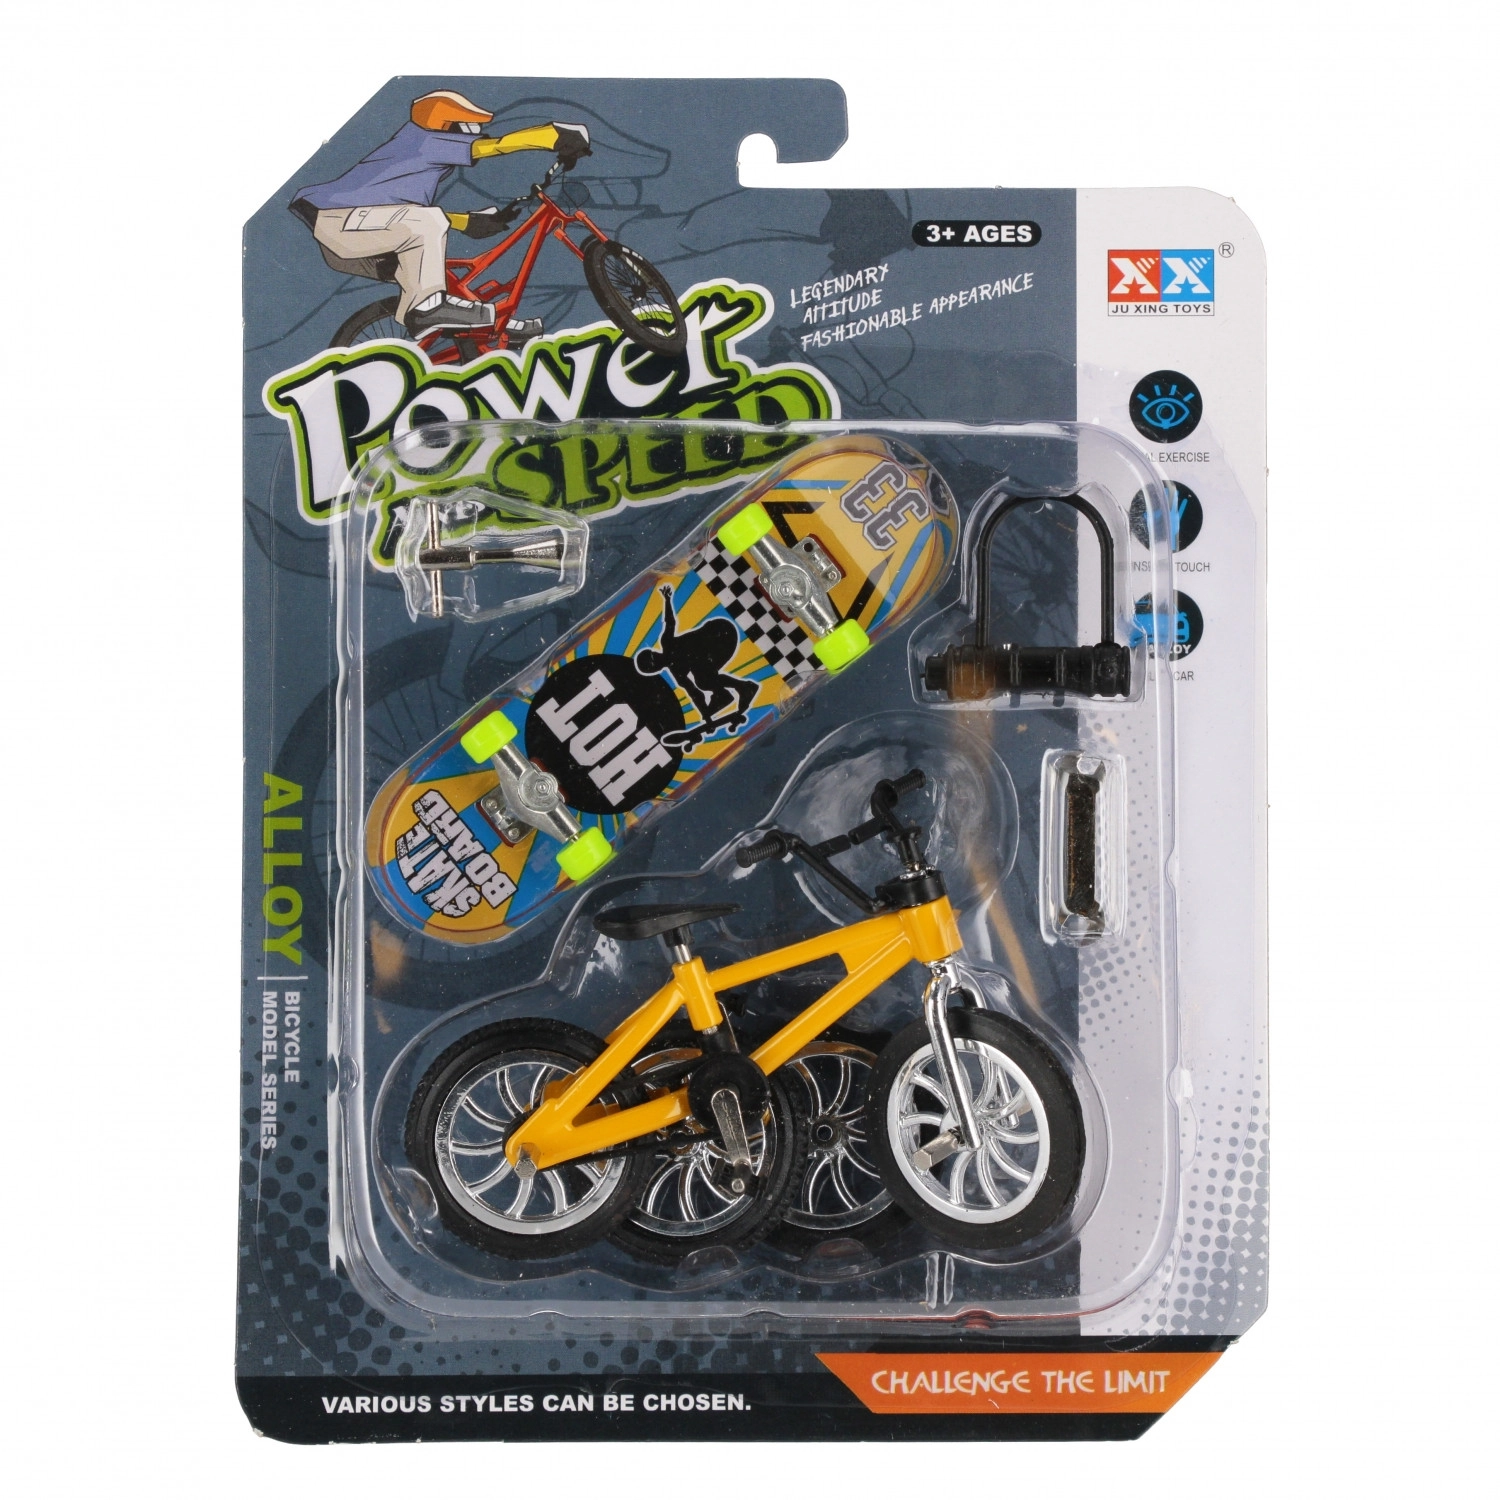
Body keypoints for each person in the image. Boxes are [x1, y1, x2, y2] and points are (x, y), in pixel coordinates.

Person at [290, 90, 590, 338]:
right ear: (447, 126)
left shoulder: (413, 163)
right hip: (340, 223)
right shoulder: (424, 141)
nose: (475, 135)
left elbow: (402, 216)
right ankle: (427, 308)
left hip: (360, 232)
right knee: (428, 228)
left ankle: (491, 325)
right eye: (469, 129)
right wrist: (552, 135)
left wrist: (468, 221)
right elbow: (495, 147)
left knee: (435, 266)